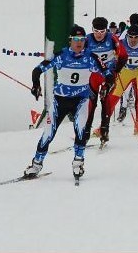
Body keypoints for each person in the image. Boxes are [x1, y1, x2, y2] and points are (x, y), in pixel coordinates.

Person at [24, 25, 114, 181]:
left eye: (82, 40)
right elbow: (37, 70)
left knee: (80, 131)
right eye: (76, 40)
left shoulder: (90, 57)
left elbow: (108, 74)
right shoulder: (61, 56)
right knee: (48, 134)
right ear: (70, 41)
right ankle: (36, 164)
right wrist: (35, 84)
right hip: (60, 101)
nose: (79, 43)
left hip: (81, 101)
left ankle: (78, 163)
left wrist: (106, 85)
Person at [100, 25, 138, 138]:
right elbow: (112, 56)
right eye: (131, 37)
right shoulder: (121, 43)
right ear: (127, 35)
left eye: (136, 37)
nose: (133, 40)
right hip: (126, 71)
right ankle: (103, 126)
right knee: (113, 97)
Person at [85, 17, 128, 145]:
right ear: (92, 29)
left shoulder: (112, 38)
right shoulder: (87, 39)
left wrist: (117, 70)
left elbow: (124, 55)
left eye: (102, 31)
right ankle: (86, 132)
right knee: (91, 103)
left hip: (107, 76)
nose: (99, 34)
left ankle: (104, 131)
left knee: (105, 101)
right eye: (96, 31)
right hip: (93, 76)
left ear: (106, 30)